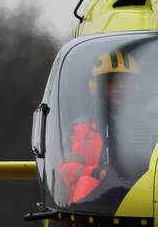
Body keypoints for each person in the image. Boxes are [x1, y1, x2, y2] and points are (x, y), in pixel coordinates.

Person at [57, 49, 139, 203]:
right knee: (85, 184)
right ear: (96, 86)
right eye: (112, 81)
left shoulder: (152, 122)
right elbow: (66, 167)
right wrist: (94, 172)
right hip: (96, 204)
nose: (120, 87)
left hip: (139, 196)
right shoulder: (79, 128)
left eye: (125, 81)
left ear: (136, 86)